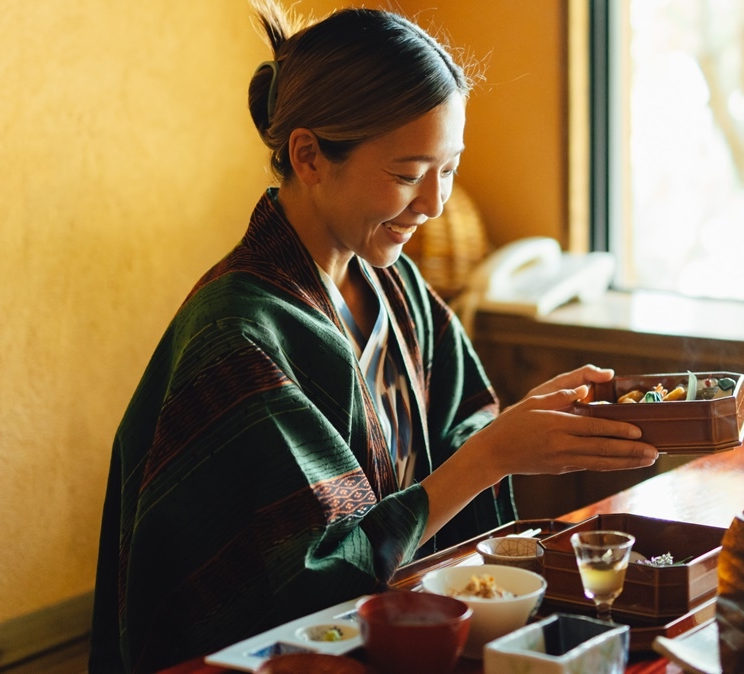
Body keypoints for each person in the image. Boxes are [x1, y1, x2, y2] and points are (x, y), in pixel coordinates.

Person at [88, 2, 658, 672]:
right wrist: (492, 457)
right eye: (408, 174)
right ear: (310, 156)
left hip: (401, 636)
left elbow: (461, 432)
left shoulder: (399, 289)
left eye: (449, 169)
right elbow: (307, 575)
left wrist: (533, 426)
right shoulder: (238, 333)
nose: (435, 203)